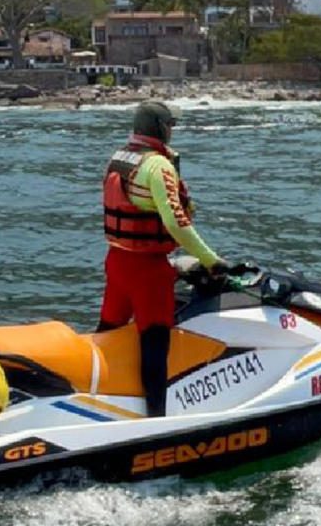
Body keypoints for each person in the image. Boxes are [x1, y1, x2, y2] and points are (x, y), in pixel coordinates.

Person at [99, 100, 228, 417]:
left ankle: (100, 397)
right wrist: (212, 260)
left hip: (116, 262)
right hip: (148, 270)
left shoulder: (119, 159)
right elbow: (176, 223)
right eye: (170, 124)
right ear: (159, 127)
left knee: (107, 331)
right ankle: (157, 418)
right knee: (155, 342)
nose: (172, 130)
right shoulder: (159, 167)